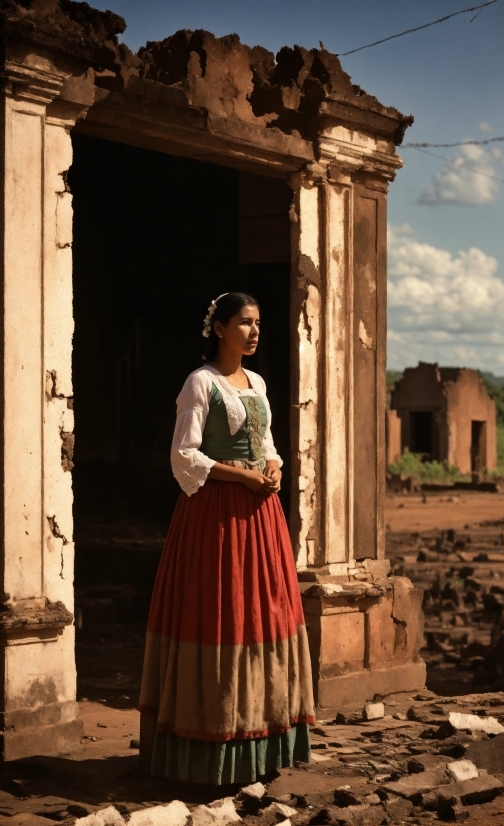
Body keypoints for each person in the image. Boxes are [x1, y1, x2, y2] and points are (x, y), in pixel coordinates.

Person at [138, 291, 315, 785]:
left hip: (261, 516)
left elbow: (267, 443)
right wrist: (242, 478)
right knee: (224, 613)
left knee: (264, 612)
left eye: (258, 323)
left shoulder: (255, 381)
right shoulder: (200, 383)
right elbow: (184, 456)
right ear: (219, 329)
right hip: (216, 517)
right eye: (244, 322)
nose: (255, 331)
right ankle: (212, 747)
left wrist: (274, 467)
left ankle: (261, 739)